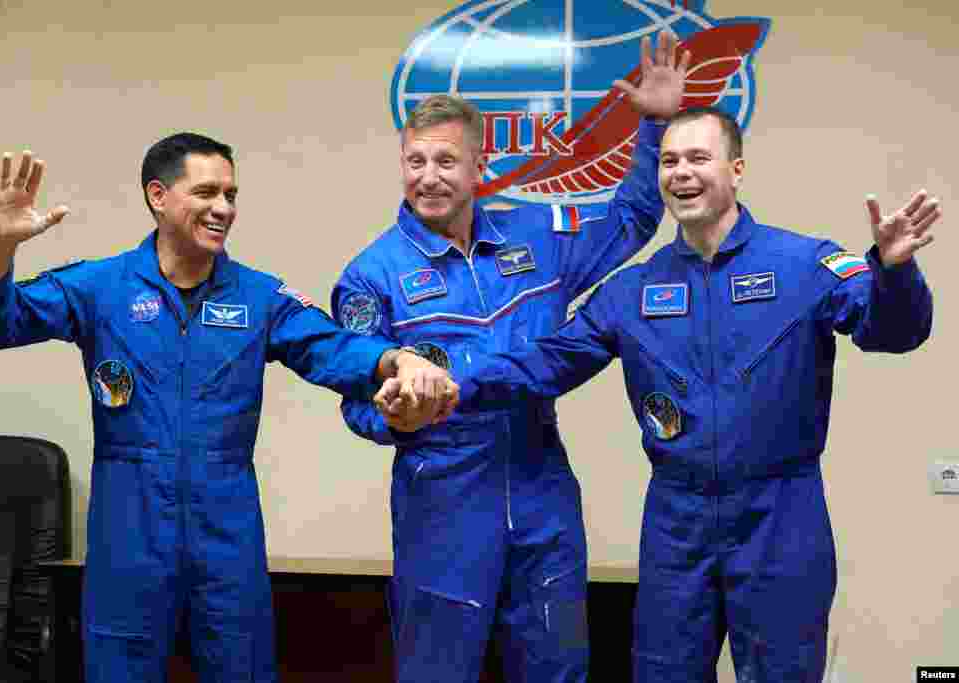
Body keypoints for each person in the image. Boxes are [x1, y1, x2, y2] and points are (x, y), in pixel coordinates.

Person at [400, 106, 939, 683]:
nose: (681, 172)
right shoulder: (633, 290)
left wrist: (894, 272)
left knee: (783, 671)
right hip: (675, 522)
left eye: (698, 158)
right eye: (669, 160)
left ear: (736, 170)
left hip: (781, 515)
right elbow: (547, 362)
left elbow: (893, 333)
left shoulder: (804, 265)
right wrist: (454, 386)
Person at [0, 134, 457, 683]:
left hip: (226, 532)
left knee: (241, 667)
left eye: (231, 194)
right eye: (206, 192)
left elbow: (334, 348)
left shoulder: (260, 297)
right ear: (158, 196)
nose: (224, 208)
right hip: (128, 529)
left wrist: (397, 361)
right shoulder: (102, 287)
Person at [334, 34, 689, 683]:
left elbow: (632, 218)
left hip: (540, 484)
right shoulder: (370, 276)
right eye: (415, 161)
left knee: (558, 667)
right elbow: (357, 402)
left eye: (446, 160)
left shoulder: (538, 237)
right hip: (440, 497)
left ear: (480, 165)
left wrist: (655, 125)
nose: (428, 177)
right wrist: (396, 420)